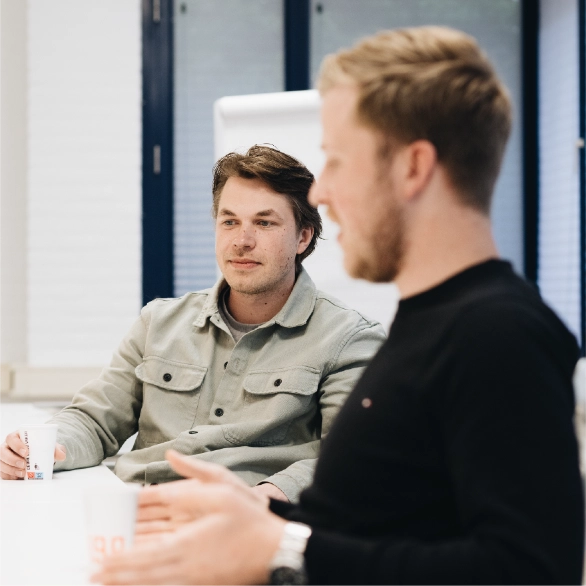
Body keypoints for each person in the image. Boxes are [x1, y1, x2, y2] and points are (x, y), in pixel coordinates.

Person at [94, 26, 584, 586]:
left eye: (338, 161)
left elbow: (531, 570)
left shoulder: (498, 337)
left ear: (414, 167)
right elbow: (377, 528)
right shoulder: (428, 326)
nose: (321, 193)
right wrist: (263, 520)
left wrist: (282, 545)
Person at [0, 145, 385, 501]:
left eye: (264, 223)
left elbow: (352, 459)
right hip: (136, 508)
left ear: (303, 237)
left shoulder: (349, 339)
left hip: (243, 525)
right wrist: (39, 448)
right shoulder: (159, 322)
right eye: (229, 221)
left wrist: (268, 496)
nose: (242, 241)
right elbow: (94, 421)